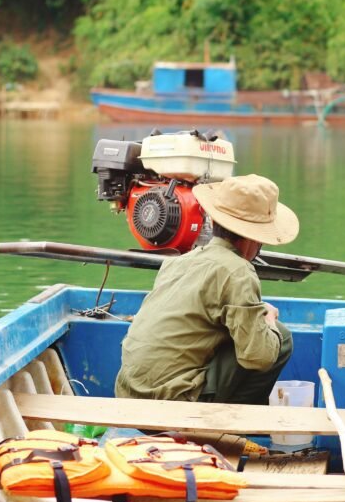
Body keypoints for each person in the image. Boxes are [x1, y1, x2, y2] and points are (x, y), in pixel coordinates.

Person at [114, 174, 299, 405]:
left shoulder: (176, 262)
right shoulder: (238, 271)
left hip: (128, 396)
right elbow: (259, 358)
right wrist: (269, 319)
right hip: (174, 403)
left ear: (213, 222)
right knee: (280, 338)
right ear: (255, 238)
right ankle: (232, 424)